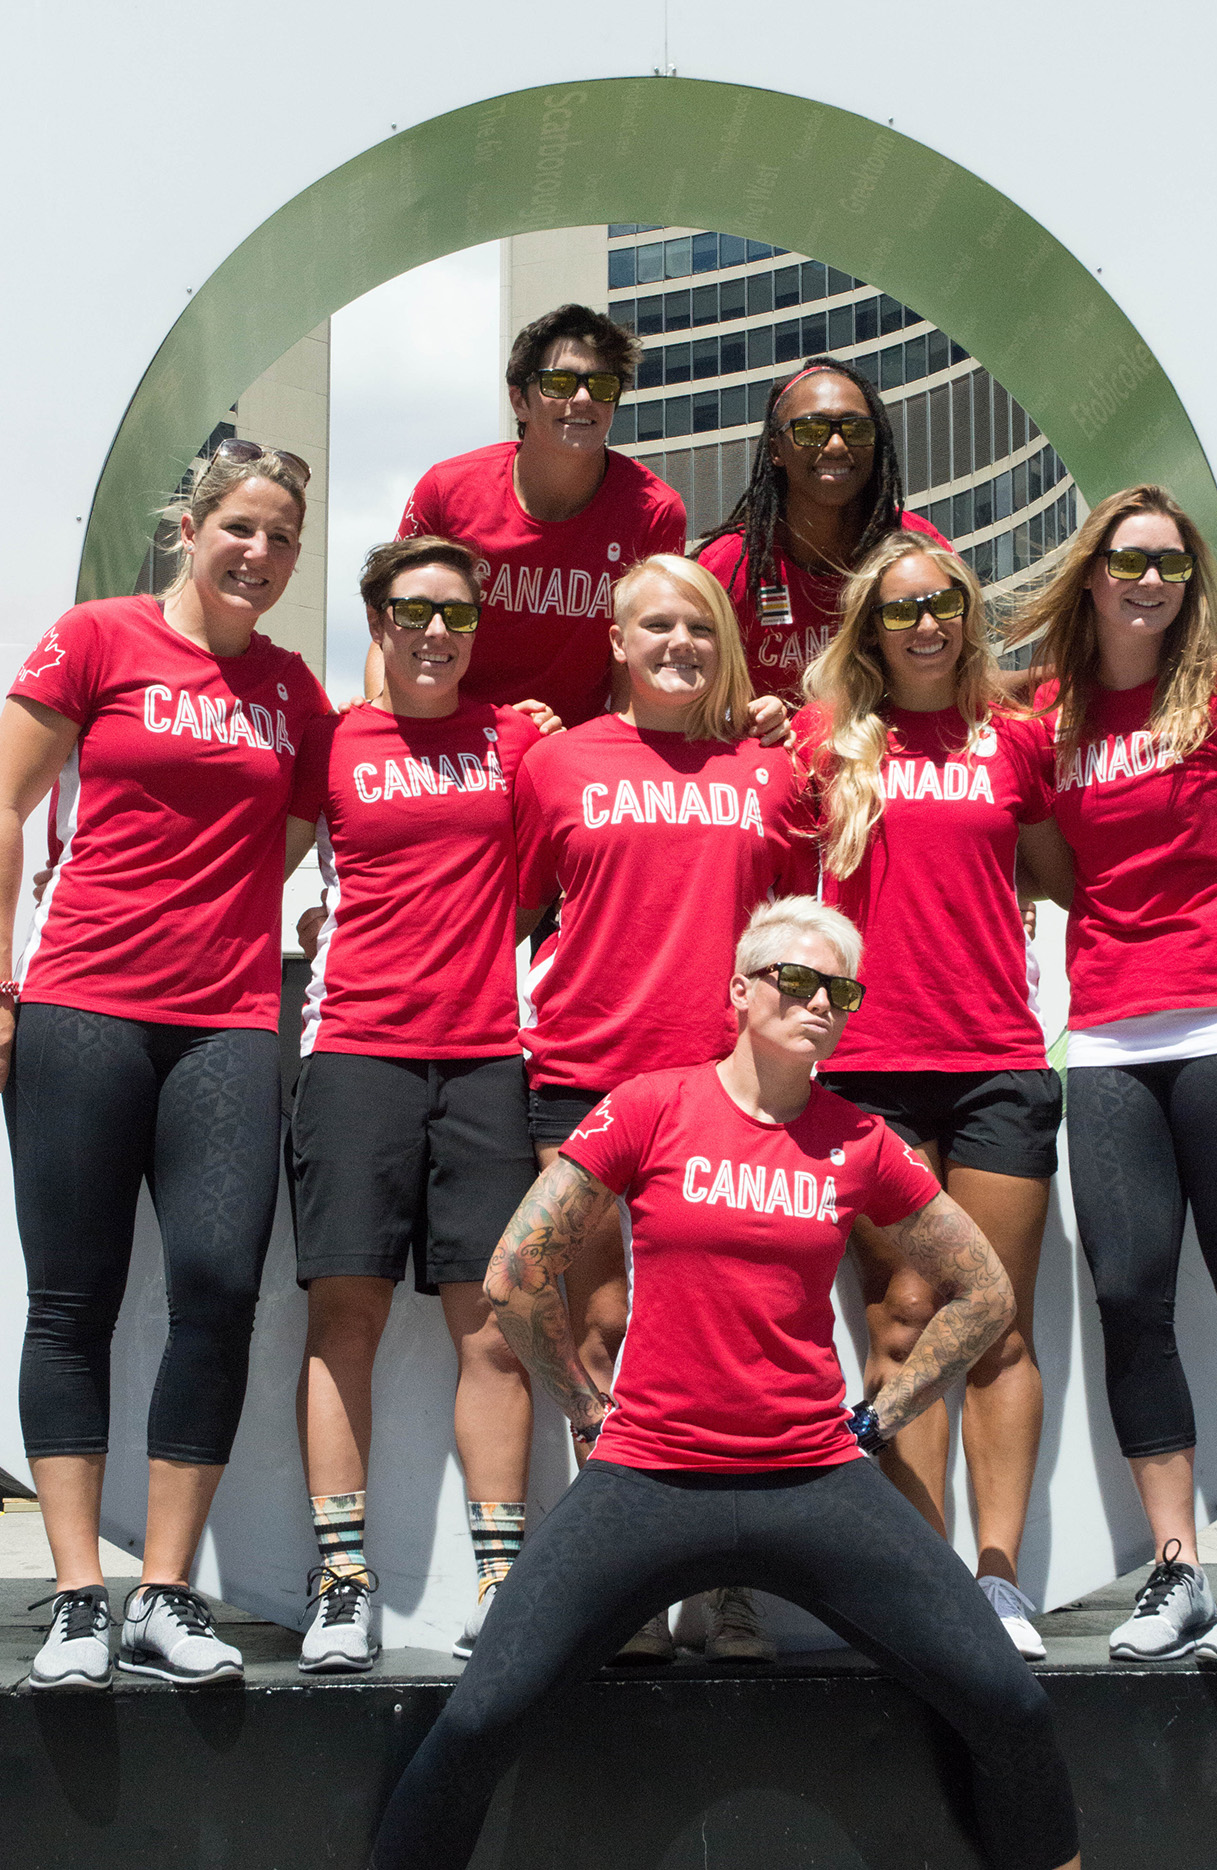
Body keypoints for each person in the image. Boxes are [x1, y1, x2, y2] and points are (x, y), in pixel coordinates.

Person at [370, 896, 1081, 1870]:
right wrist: (584, 1405)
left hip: (813, 1479)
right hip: (648, 1478)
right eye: (796, 979)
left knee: (1011, 1704)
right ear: (740, 991)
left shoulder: (857, 1140)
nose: (819, 1002)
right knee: (478, 1718)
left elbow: (984, 1291)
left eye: (840, 990)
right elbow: (513, 1272)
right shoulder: (650, 1106)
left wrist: (880, 1418)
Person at [1, 442, 329, 1690]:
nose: (259, 551)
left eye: (281, 537)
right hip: (81, 1005)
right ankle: (77, 1594)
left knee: (217, 1292)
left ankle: (164, 1591)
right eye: (240, 526)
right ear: (190, 529)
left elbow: (285, 841)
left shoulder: (293, 690)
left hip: (226, 1022)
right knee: (70, 1300)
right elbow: (6, 804)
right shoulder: (97, 638)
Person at [1014, 484, 1217, 1671]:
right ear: (1088, 573)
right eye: (1128, 559)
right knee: (1128, 1297)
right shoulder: (1048, 715)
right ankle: (1176, 1567)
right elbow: (1052, 868)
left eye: (1171, 564)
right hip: (1107, 1038)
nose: (1149, 580)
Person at [513, 553, 816, 1663]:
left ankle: (724, 1584)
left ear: (723, 642)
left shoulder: (771, 773)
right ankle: (625, 1581)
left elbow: (801, 933)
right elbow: (511, 906)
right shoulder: (553, 764)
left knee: (720, 1346)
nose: (679, 643)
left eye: (698, 625)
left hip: (727, 1090)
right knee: (595, 1333)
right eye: (656, 625)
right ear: (616, 640)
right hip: (582, 1078)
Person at [795, 532, 1069, 1659]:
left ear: (967, 615)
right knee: (904, 1319)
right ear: (870, 626)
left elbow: (1060, 874)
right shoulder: (823, 742)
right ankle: (924, 1585)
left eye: (941, 603)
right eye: (900, 607)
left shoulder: (1014, 737)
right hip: (867, 1067)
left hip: (996, 1060)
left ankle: (997, 1583)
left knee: (993, 1321)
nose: (923, 623)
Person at [285, 537, 544, 1672]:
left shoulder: (517, 739)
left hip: (488, 1061)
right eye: (411, 610)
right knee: (344, 1318)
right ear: (376, 620)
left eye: (456, 612)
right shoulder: (331, 740)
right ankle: (342, 1581)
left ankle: (502, 1581)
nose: (435, 631)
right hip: (354, 1055)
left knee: (492, 1326)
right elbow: (251, 863)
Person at [366, 302, 685, 727]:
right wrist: (383, 732)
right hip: (452, 739)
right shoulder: (446, 490)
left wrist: (609, 750)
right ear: (519, 400)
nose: (584, 398)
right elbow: (392, 627)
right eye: (560, 382)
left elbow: (642, 660)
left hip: (575, 745)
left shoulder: (654, 511)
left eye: (602, 385)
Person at [695, 356, 951, 701]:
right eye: (812, 430)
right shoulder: (727, 567)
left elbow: (967, 677)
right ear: (775, 449)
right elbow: (691, 701)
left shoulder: (918, 548)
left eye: (857, 430)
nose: (836, 445)